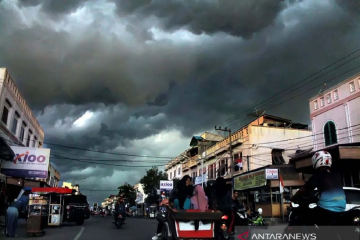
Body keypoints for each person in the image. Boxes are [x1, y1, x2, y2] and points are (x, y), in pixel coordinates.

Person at [291, 150, 346, 226]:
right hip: (342, 208)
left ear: (316, 161)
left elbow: (304, 189)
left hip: (326, 209)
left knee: (305, 217)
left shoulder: (318, 175)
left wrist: (294, 197)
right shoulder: (336, 174)